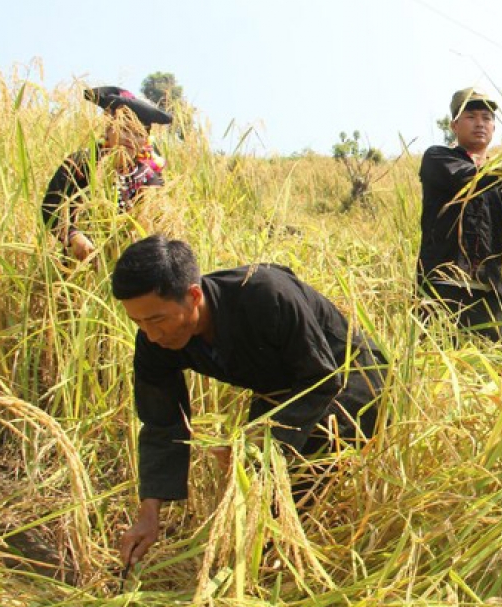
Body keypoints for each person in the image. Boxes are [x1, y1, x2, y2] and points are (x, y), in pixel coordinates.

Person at [112, 235, 388, 567]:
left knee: (290, 487)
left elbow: (323, 378)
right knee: (256, 493)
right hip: (280, 385)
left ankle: (306, 569)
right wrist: (149, 513)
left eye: (156, 320)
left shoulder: (265, 294)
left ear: (194, 295)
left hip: (350, 376)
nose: (151, 335)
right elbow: (161, 421)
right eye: (138, 323)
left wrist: (256, 444)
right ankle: (267, 559)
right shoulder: (153, 339)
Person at [416, 87, 502, 341]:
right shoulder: (438, 158)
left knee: (499, 372)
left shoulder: (500, 176)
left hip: (489, 292)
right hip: (444, 287)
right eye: (471, 116)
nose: (480, 124)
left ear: (494, 128)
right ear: (455, 125)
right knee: (437, 367)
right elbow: (470, 179)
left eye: (487, 118)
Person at [41, 86, 173, 262]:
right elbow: (52, 205)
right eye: (124, 129)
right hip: (78, 263)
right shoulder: (82, 163)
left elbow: (156, 226)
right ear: (108, 131)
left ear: (145, 141)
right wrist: (73, 236)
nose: (129, 138)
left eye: (138, 134)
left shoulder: (148, 178)